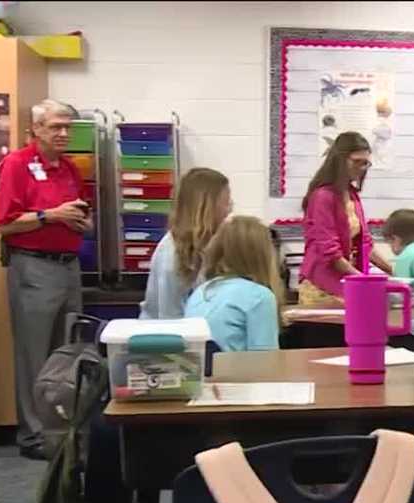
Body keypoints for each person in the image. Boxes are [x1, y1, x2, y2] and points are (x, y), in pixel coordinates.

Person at [0, 99, 92, 460]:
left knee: (68, 353)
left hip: (69, 265)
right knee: (34, 355)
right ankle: (34, 436)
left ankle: (63, 431)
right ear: (36, 129)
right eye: (55, 127)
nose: (63, 133)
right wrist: (50, 215)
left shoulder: (69, 169)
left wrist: (81, 221)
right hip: (33, 266)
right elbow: (5, 223)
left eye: (67, 126)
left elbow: (77, 212)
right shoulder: (17, 164)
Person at [298, 131, 392, 306]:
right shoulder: (322, 196)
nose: (362, 168)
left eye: (366, 163)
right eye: (357, 162)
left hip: (346, 282)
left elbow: (365, 245)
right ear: (340, 160)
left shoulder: (351, 195)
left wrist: (394, 273)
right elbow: (331, 253)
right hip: (322, 287)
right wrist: (365, 282)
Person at [139, 167, 232, 319]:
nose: (228, 211)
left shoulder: (207, 244)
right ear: (206, 208)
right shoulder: (171, 253)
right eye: (226, 203)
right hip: (167, 337)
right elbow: (169, 318)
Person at [184, 216, 285, 352]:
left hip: (201, 370)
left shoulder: (200, 291)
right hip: (236, 372)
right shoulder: (259, 297)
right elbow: (266, 362)